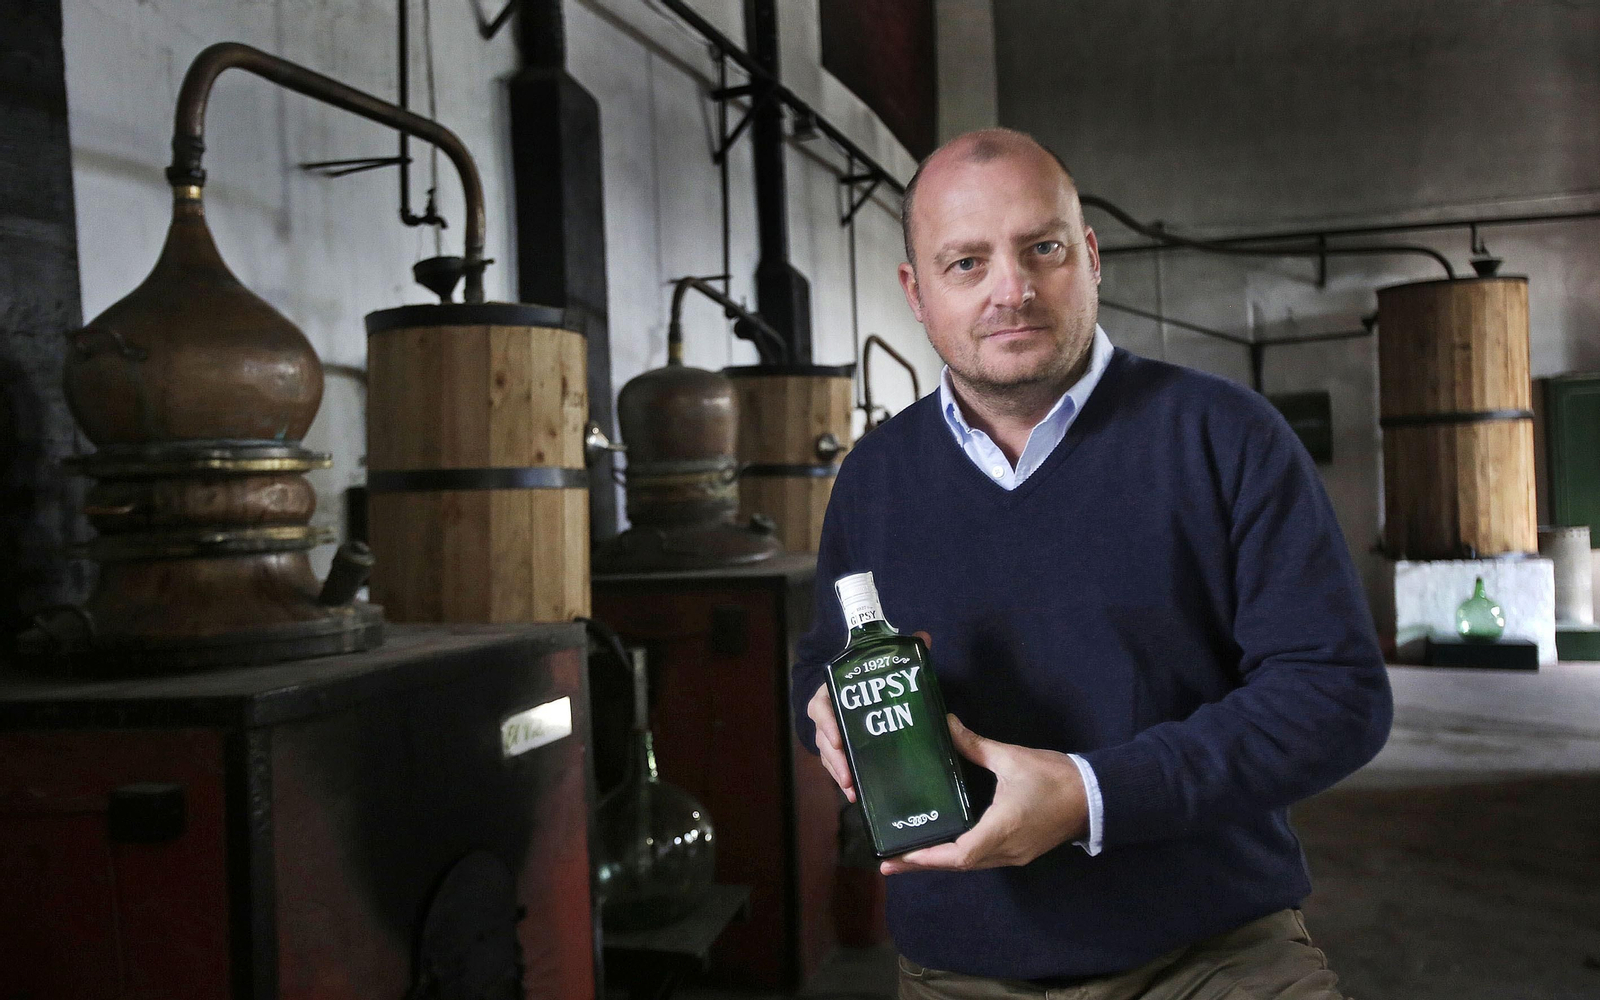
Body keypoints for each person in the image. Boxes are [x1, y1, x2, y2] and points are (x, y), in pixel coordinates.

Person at [789, 128, 1392, 1000]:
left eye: (1043, 248)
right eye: (967, 263)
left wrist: (1093, 795)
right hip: (959, 971)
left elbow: (1335, 695)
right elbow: (822, 661)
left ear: (1092, 257)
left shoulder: (1226, 437)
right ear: (917, 293)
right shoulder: (874, 477)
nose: (1012, 289)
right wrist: (828, 713)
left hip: (1211, 955)